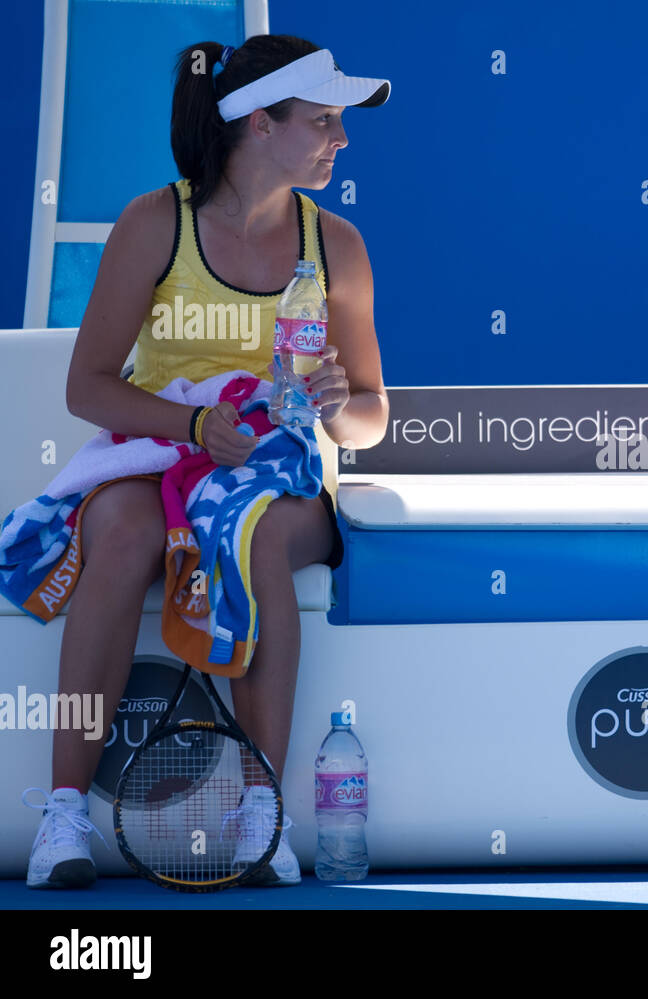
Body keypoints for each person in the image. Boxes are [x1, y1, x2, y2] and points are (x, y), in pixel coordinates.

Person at [23, 35, 390, 888]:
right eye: (324, 121)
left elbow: (370, 414)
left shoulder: (340, 244)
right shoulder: (155, 223)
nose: (341, 140)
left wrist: (338, 408)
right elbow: (89, 387)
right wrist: (193, 427)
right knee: (117, 529)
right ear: (259, 124)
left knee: (254, 533)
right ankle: (66, 813)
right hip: (166, 458)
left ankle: (260, 808)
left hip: (283, 477)